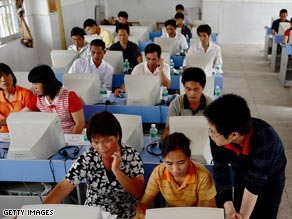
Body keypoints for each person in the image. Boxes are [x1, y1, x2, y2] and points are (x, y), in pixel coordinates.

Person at [43, 111, 145, 218]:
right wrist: (37, 212)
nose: (101, 148)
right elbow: (64, 186)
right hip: (95, 212)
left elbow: (138, 192)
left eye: (106, 141)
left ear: (117, 136)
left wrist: (117, 171)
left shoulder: (131, 155)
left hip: (126, 214)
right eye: (96, 142)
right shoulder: (88, 158)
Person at [203, 94, 286, 219]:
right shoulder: (218, 136)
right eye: (209, 129)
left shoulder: (266, 140)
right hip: (242, 171)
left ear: (234, 135)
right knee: (237, 208)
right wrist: (228, 205)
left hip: (270, 178)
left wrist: (244, 216)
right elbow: (220, 170)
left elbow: (254, 183)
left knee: (265, 212)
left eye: (212, 132)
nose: (210, 135)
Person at [135, 132, 217, 219]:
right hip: (174, 214)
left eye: (181, 162)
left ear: (189, 158)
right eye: (169, 163)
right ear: (163, 160)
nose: (175, 169)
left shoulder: (202, 176)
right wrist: (141, 212)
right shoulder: (158, 172)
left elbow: (202, 214)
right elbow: (143, 204)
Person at [22, 65, 85, 134]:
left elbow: (80, 124)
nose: (34, 87)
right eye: (32, 83)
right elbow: (20, 115)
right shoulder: (38, 99)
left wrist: (70, 142)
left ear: (46, 82)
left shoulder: (70, 96)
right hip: (51, 138)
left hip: (69, 136)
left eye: (36, 83)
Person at [161, 67, 212, 140]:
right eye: (188, 89)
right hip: (181, 141)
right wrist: (167, 134)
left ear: (203, 87)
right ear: (184, 87)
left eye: (196, 89)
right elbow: (169, 128)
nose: (192, 93)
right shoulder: (176, 104)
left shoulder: (210, 105)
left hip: (204, 140)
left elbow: (215, 129)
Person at [0, 63, 34, 132]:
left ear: (12, 76)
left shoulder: (26, 93)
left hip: (24, 132)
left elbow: (30, 118)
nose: (3, 79)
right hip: (3, 134)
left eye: (7, 75)